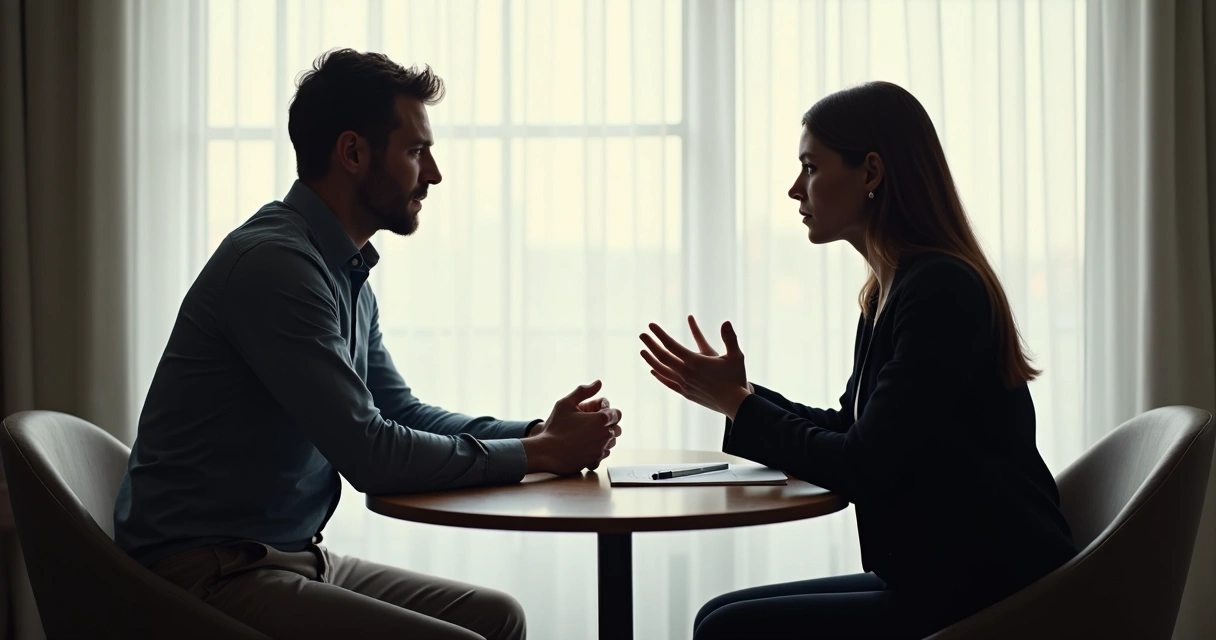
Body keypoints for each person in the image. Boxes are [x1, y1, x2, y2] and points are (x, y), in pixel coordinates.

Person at [113, 49, 623, 640]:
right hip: (209, 571)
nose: (433, 174)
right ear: (353, 152)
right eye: (415, 151)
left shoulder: (340, 269)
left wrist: (534, 433)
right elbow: (371, 455)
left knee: (497, 618)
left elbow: (397, 411)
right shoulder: (278, 267)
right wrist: (543, 455)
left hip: (285, 556)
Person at [639, 81, 1077, 640]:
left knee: (728, 629)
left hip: (989, 589)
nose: (795, 189)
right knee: (715, 618)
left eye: (811, 167)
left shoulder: (940, 289)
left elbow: (862, 464)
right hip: (935, 577)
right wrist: (741, 396)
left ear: (871, 173)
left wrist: (739, 405)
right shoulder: (887, 290)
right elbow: (853, 427)